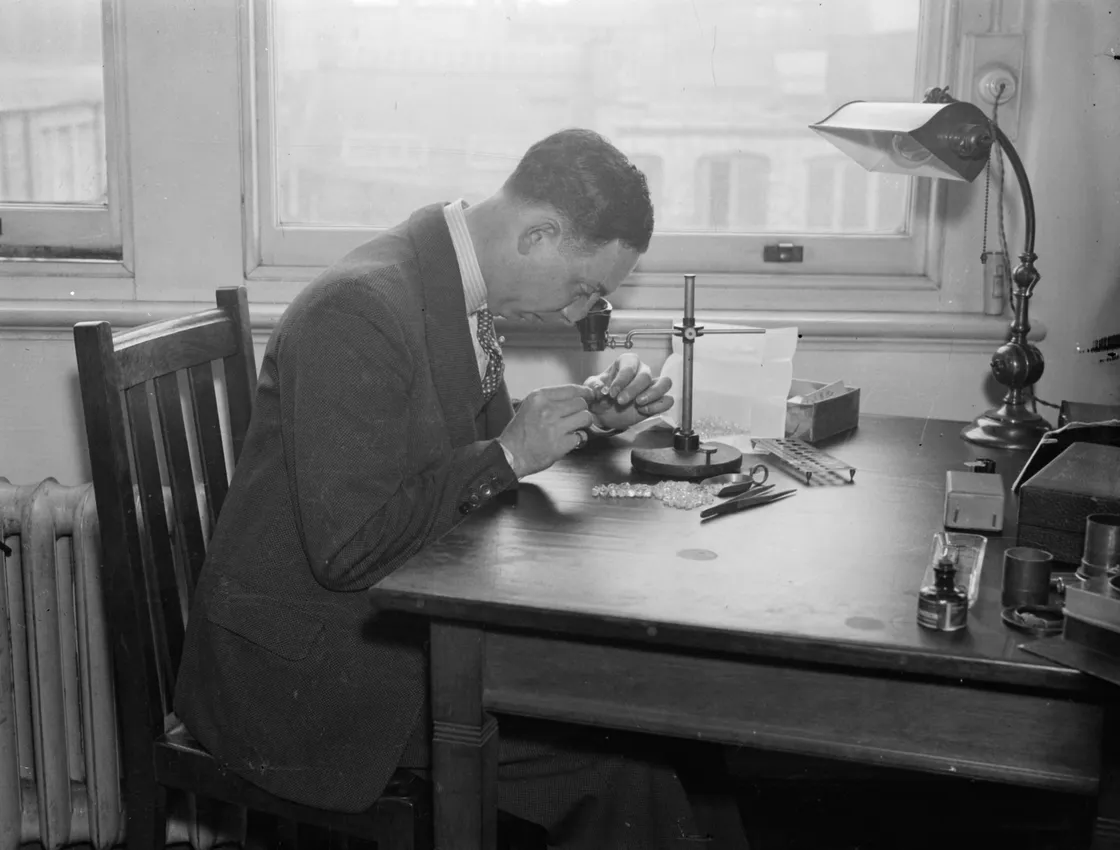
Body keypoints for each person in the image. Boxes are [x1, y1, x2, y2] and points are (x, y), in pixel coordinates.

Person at [175, 128, 744, 848]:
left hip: (377, 625)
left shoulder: (448, 283)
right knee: (629, 759)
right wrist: (509, 453)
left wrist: (587, 423)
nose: (575, 314)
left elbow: (451, 451)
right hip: (307, 674)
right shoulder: (356, 310)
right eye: (583, 288)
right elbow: (347, 551)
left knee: (658, 718)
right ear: (539, 234)